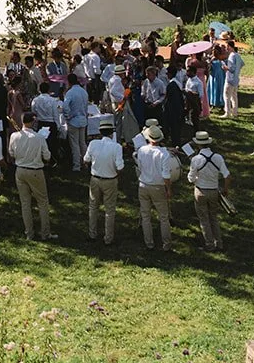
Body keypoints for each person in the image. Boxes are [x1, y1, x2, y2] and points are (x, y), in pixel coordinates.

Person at [8, 112, 55, 241]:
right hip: (35, 170)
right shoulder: (39, 138)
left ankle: (29, 233)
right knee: (42, 202)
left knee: (25, 203)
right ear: (32, 122)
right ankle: (45, 233)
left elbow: (11, 153)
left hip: (20, 170)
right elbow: (47, 156)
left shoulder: (14, 136)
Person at [185, 130, 232, 250]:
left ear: (198, 144)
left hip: (200, 191)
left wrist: (195, 179)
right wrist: (226, 189)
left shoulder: (196, 159)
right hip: (214, 191)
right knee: (214, 217)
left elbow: (190, 178)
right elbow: (227, 175)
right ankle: (219, 243)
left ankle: (209, 244)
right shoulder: (218, 157)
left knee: (204, 219)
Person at [83, 115, 125, 244]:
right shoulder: (116, 147)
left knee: (93, 207)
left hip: (95, 178)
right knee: (110, 209)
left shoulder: (93, 144)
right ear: (112, 133)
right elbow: (120, 167)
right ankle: (108, 238)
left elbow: (86, 160)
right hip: (110, 180)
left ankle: (92, 233)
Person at [135, 122, 176, 250]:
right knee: (163, 217)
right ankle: (166, 244)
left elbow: (140, 167)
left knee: (145, 215)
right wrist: (168, 189)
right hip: (158, 186)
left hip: (143, 185)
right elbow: (166, 175)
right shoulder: (164, 154)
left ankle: (149, 243)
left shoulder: (141, 150)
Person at [63, 73, 89, 172]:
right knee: (82, 143)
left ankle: (76, 165)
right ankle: (86, 162)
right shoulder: (83, 91)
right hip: (83, 119)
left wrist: (67, 116)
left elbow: (65, 106)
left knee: (75, 144)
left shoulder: (70, 93)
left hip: (73, 120)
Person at [223, 39, 243, 115]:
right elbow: (241, 64)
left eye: (227, 46)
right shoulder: (237, 55)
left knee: (227, 95)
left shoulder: (231, 56)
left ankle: (227, 112)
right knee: (234, 96)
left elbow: (231, 69)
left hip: (230, 79)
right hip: (236, 78)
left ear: (230, 47)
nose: (226, 48)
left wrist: (226, 68)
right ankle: (235, 112)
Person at [208, 46, 227, 115]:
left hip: (220, 76)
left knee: (220, 88)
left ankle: (221, 103)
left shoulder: (222, 58)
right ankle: (213, 102)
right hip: (213, 76)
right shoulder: (211, 59)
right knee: (213, 88)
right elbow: (209, 69)